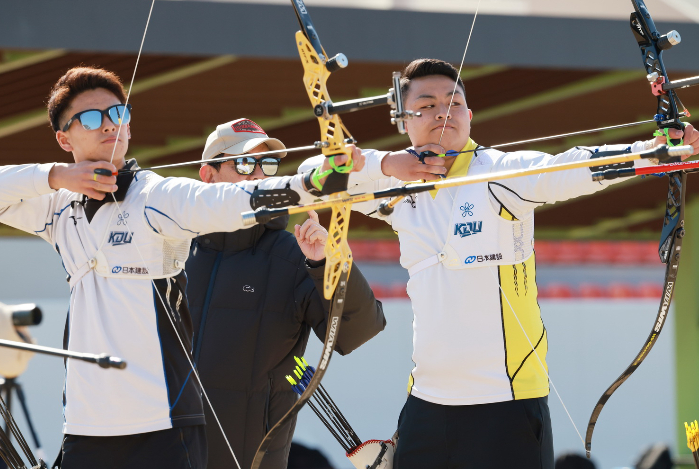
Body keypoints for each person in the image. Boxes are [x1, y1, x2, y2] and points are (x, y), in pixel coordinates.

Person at [299, 58, 699, 469]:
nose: (442, 111)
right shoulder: (395, 185)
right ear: (403, 119)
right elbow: (310, 174)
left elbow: (569, 166)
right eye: (427, 103)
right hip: (427, 405)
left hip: (507, 405)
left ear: (469, 117)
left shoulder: (498, 175)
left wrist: (654, 152)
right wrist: (387, 164)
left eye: (454, 103)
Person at [0, 66, 361, 469]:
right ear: (64, 138)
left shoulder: (155, 195)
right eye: (92, 118)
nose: (110, 125)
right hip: (84, 426)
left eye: (118, 113)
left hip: (163, 427)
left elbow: (226, 201)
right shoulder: (56, 206)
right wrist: (57, 176)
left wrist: (310, 181)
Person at [186, 119, 386, 469]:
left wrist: (328, 262)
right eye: (245, 163)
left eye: (269, 164)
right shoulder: (171, 250)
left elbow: (358, 332)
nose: (259, 174)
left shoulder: (295, 254)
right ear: (208, 175)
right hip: (166, 450)